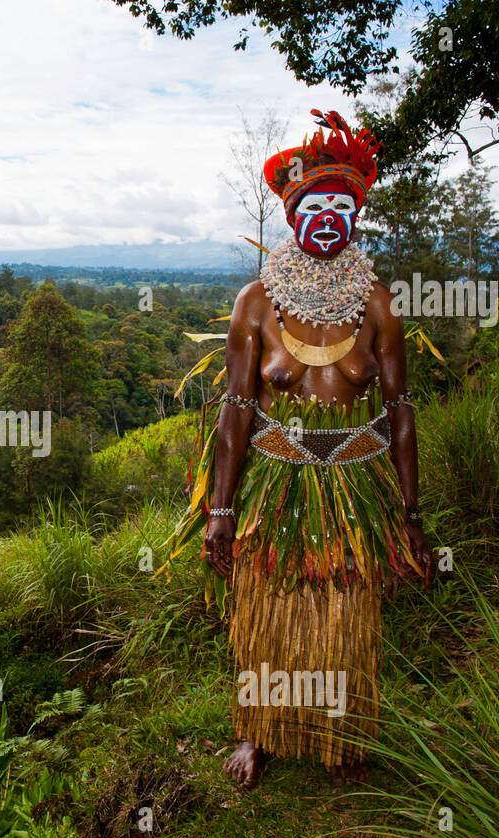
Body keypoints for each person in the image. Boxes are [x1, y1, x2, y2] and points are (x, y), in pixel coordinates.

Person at [163, 110, 434, 789]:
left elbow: (400, 411)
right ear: (292, 216)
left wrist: (409, 513)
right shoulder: (256, 303)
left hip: (353, 486)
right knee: (270, 607)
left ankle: (342, 734)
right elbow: (236, 409)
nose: (329, 218)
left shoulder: (378, 305)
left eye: (344, 207)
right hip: (274, 482)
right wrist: (220, 509)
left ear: (358, 219)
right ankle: (260, 732)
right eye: (316, 205)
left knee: (345, 610)